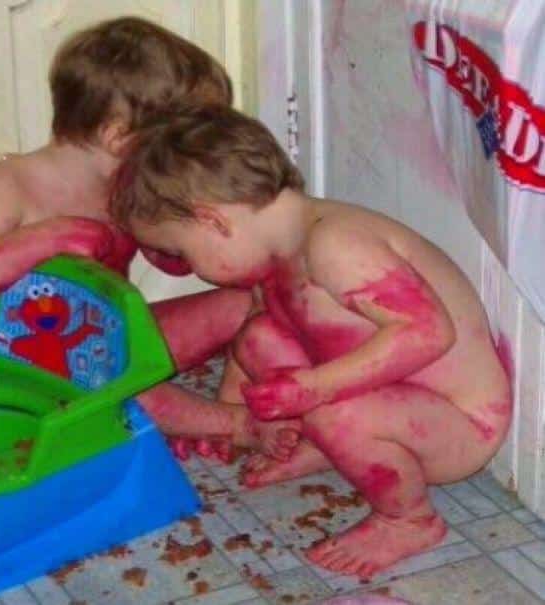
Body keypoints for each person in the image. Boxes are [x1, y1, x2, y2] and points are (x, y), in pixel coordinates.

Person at [110, 104, 512, 579]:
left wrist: (317, 388)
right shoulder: (278, 251)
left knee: (334, 411)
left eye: (183, 252)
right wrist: (234, 412)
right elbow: (259, 327)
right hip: (388, 397)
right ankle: (330, 445)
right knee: (259, 337)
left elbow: (428, 333)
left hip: (459, 425)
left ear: (213, 221)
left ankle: (408, 520)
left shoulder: (336, 246)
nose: (191, 268)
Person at [0, 17, 300, 463]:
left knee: (245, 302)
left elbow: (172, 262)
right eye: (180, 142)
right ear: (118, 136)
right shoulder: (10, 186)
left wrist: (179, 244)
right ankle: (231, 424)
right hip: (23, 361)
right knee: (132, 392)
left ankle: (225, 405)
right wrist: (50, 237)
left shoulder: (128, 187)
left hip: (107, 341)